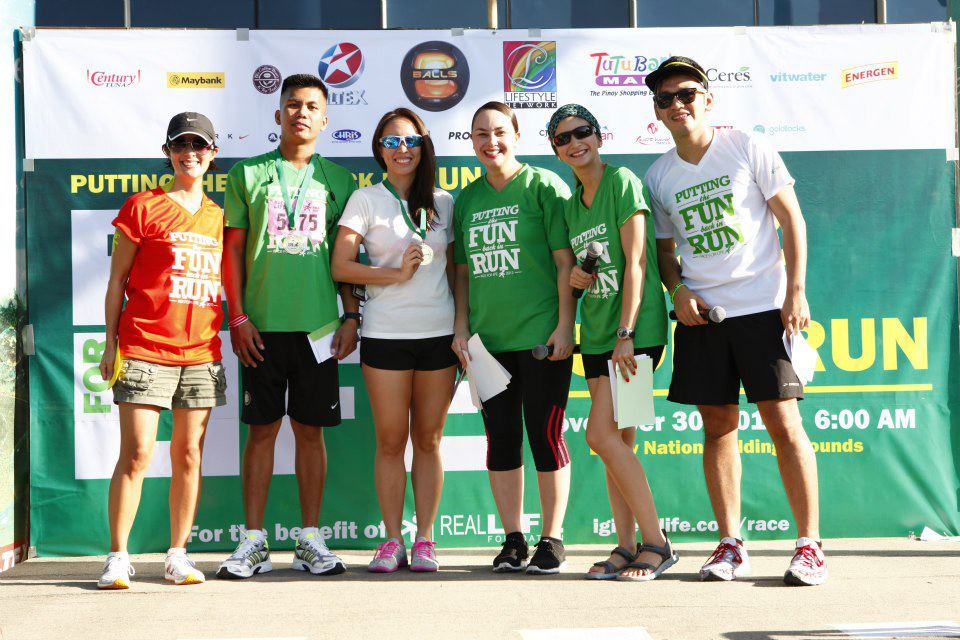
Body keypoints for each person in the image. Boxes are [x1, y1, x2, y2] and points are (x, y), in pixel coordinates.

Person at [644, 56, 827, 586]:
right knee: (718, 429)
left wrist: (795, 291)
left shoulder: (746, 146)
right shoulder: (659, 176)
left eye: (687, 93)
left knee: (785, 427)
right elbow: (663, 251)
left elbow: (792, 218)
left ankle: (810, 545)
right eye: (665, 98)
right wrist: (676, 291)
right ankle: (730, 544)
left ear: (708, 99)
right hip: (705, 321)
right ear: (655, 111)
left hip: (765, 310)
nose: (677, 104)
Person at [218, 73, 359, 579]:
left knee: (310, 433)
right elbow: (231, 252)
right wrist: (236, 316)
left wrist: (350, 315)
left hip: (319, 329)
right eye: (292, 105)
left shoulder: (340, 181)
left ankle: (310, 539)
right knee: (260, 433)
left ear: (326, 119)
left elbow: (347, 260)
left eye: (312, 106)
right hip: (261, 327)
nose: (301, 113)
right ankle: (253, 540)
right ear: (278, 115)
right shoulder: (247, 174)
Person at [547, 104, 676, 581]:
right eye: (564, 138)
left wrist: (627, 334)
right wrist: (579, 278)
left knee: (600, 436)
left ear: (598, 137)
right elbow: (578, 272)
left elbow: (637, 263)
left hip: (634, 336)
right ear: (556, 151)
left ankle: (657, 543)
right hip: (597, 336)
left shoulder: (621, 181)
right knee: (618, 440)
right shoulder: (567, 204)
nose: (575, 142)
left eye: (582, 132)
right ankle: (626, 546)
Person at [97, 112, 225, 589]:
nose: (190, 153)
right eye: (181, 145)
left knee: (189, 454)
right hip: (145, 347)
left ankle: (177, 555)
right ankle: (117, 557)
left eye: (200, 145)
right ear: (168, 152)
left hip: (202, 354)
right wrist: (110, 343)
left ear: (213, 153)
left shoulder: (221, 214)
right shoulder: (142, 206)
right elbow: (116, 282)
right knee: (137, 453)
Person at [452, 101, 575, 575]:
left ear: (517, 136)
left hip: (542, 338)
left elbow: (566, 263)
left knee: (546, 437)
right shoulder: (467, 199)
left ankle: (552, 538)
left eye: (500, 132)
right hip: (488, 344)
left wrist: (565, 326)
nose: (491, 142)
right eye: (481, 134)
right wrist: (462, 328)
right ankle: (513, 539)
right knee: (500, 440)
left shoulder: (543, 185)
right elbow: (461, 273)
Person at [331, 108, 456, 573]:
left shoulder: (446, 202)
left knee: (429, 440)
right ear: (379, 150)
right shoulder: (365, 199)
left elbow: (457, 272)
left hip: (439, 334)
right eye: (391, 141)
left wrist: (461, 328)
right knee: (389, 442)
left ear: (424, 147)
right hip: (385, 335)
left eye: (411, 141)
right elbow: (341, 266)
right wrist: (392, 274)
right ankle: (391, 539)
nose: (402, 150)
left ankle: (424, 539)